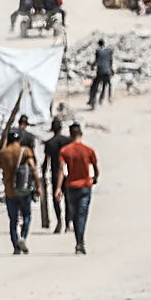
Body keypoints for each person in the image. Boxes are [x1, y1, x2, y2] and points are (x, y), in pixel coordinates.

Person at [0, 130, 38, 255]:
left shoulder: (2, 153)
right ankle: (23, 237)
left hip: (10, 191)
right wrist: (38, 187)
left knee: (13, 220)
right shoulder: (25, 151)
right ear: (19, 140)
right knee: (26, 215)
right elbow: (33, 169)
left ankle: (16, 245)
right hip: (24, 189)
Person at [54, 124, 98, 255]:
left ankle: (79, 241)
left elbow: (61, 170)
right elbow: (95, 167)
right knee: (82, 214)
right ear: (81, 134)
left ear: (70, 135)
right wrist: (95, 177)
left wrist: (58, 188)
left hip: (71, 186)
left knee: (75, 214)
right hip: (85, 186)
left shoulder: (65, 151)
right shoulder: (88, 150)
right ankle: (80, 242)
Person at [43, 119, 72, 234]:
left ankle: (59, 220)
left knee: (56, 199)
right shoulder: (68, 141)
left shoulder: (49, 143)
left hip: (55, 173)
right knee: (68, 199)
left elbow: (46, 161)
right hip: (68, 173)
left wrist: (44, 173)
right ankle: (68, 222)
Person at [88, 39, 113, 110]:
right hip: (107, 71)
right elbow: (111, 60)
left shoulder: (98, 51)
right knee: (107, 84)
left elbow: (96, 60)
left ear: (99, 44)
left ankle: (91, 99)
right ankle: (107, 98)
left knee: (94, 86)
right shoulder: (109, 51)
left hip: (100, 71)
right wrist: (111, 69)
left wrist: (92, 66)